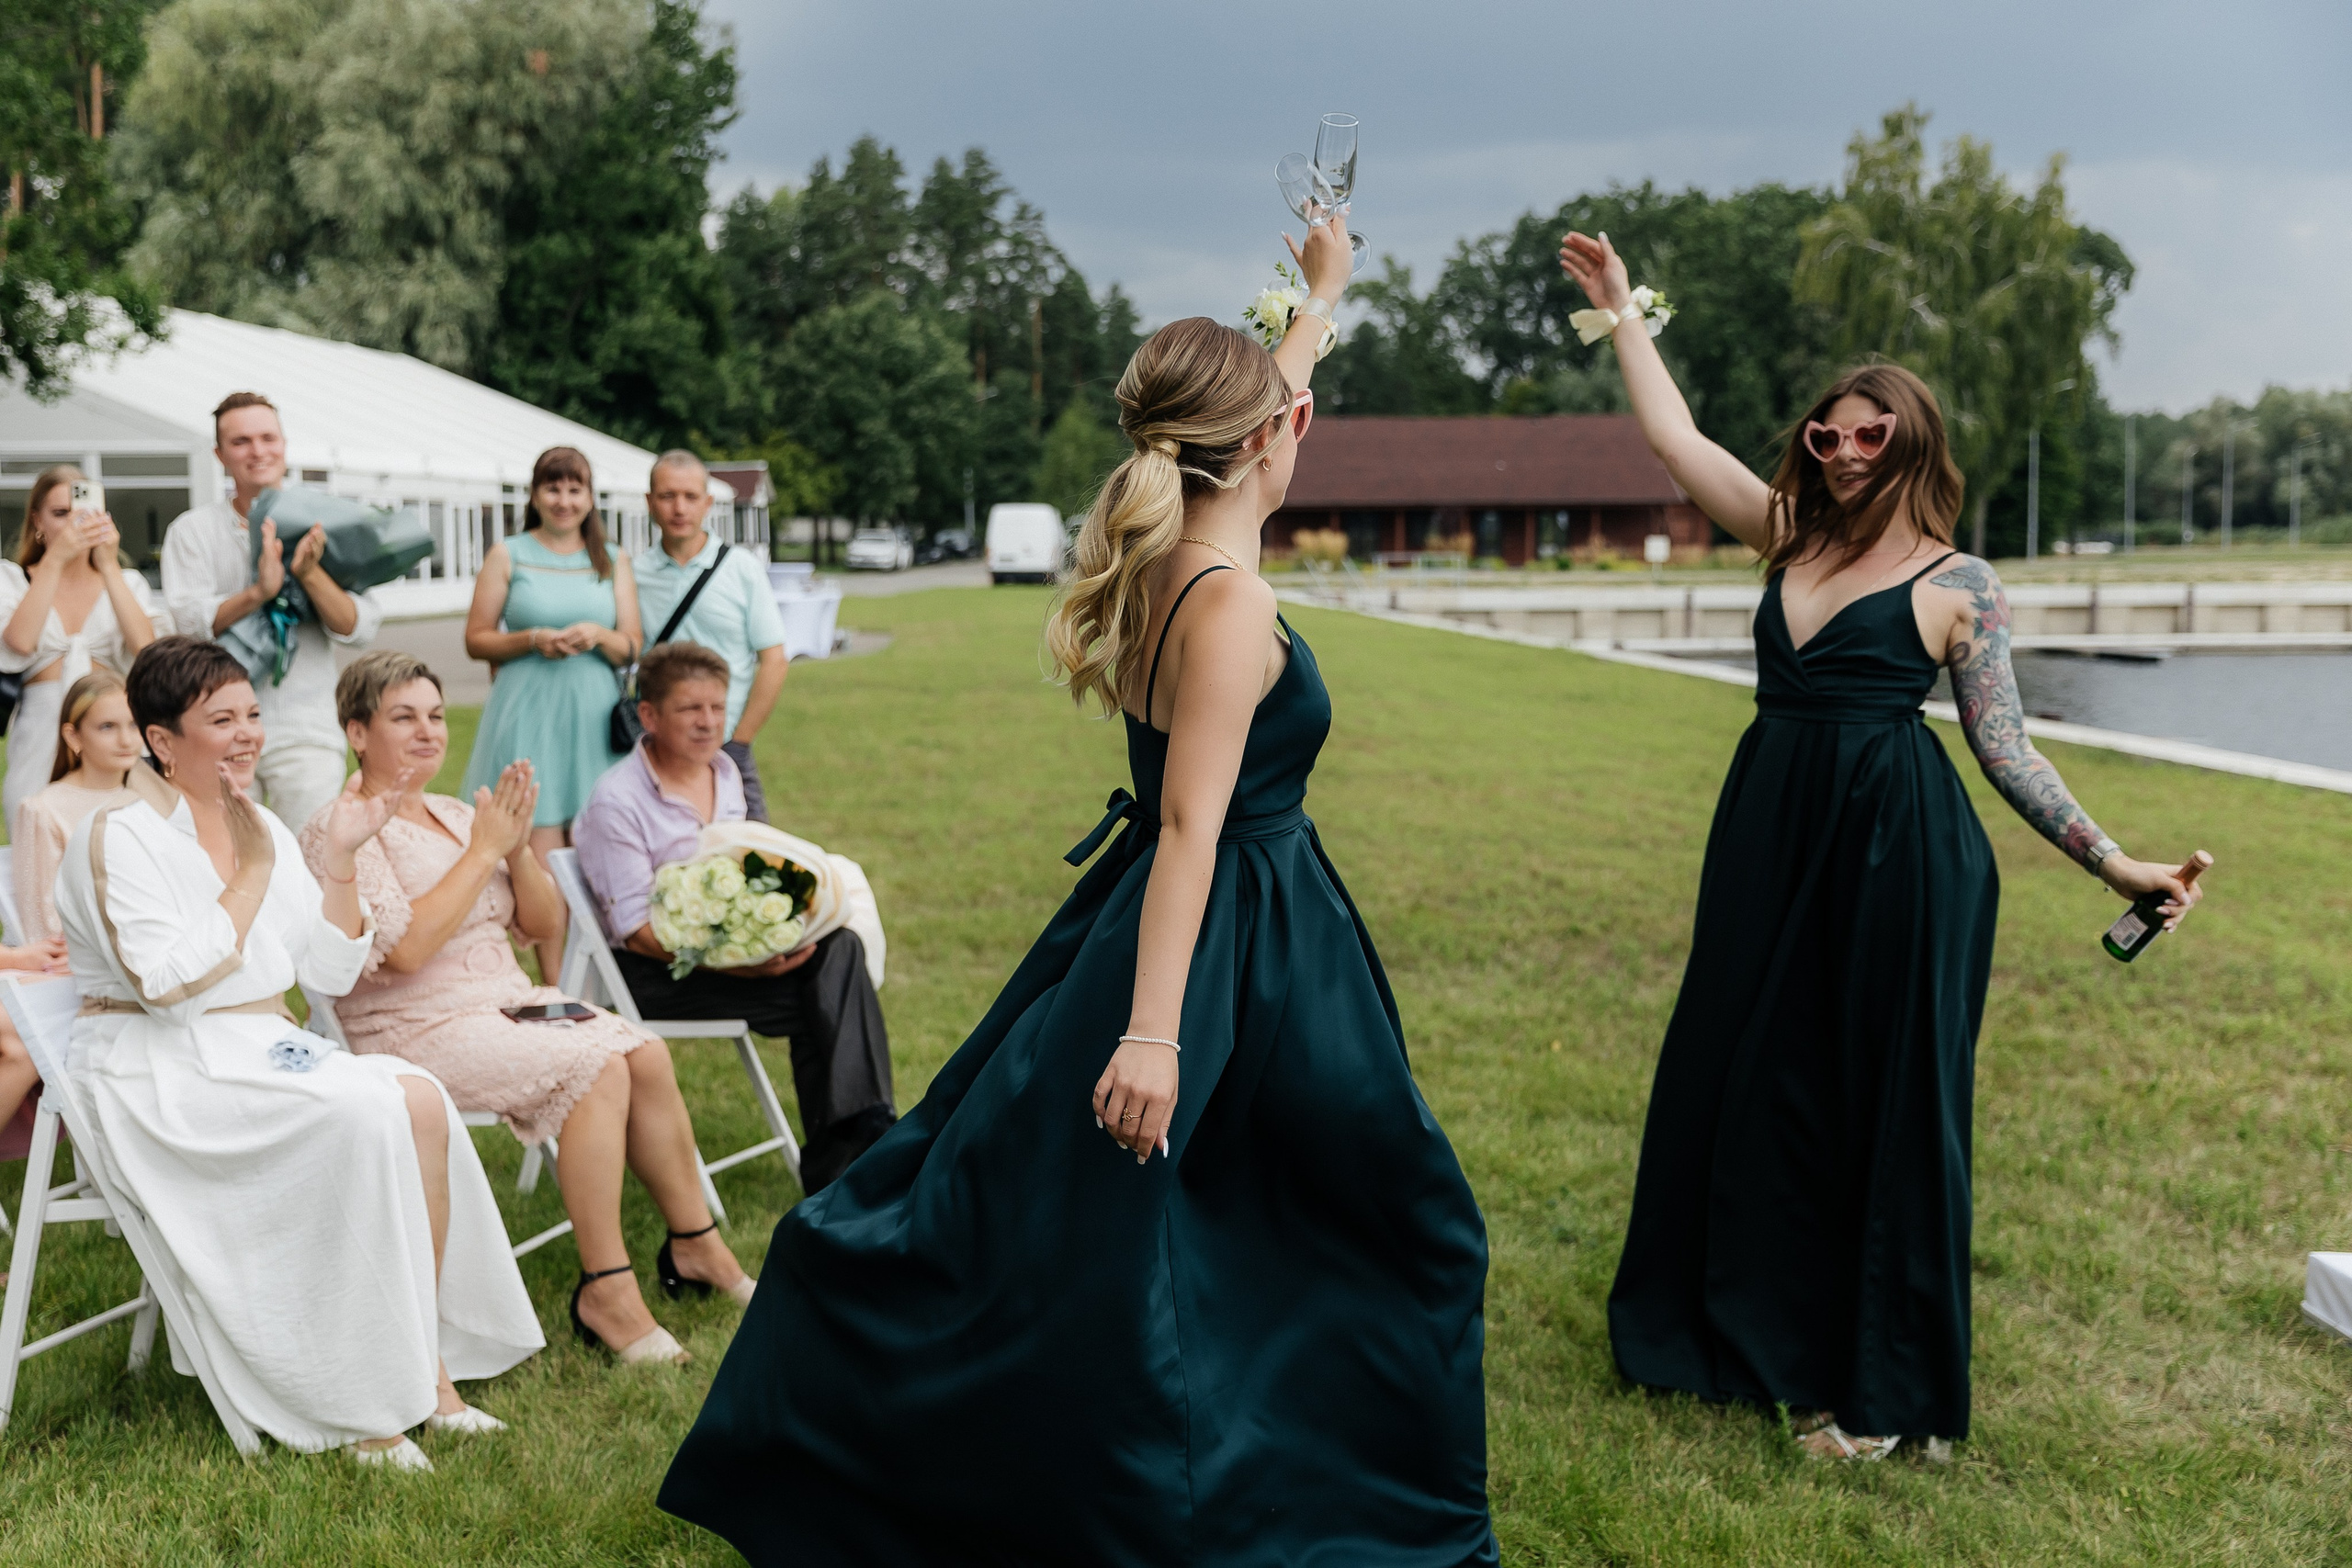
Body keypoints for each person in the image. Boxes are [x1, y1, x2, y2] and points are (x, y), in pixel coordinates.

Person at [661, 220, 1499, 1565]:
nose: (1303, 421)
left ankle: (1259, 1470)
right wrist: (1156, 1036)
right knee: (1397, 1227)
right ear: (1273, 441)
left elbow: (1267, 392)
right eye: (1294, 412)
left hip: (1224, 921)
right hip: (1229, 939)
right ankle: (1269, 1504)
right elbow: (1185, 830)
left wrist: (1321, 296)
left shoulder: (1169, 555)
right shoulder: (1224, 600)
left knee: (1260, 1228)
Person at [1557, 231, 2212, 1461]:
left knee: (1883, 1105)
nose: (1847, 450)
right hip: (1768, 837)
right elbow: (1675, 440)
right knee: (1739, 1072)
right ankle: (1740, 1333)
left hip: (1899, 856)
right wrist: (1621, 311)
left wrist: (2116, 860)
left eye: (1873, 434)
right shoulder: (1784, 533)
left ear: (1912, 445)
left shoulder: (1964, 583)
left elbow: (2008, 748)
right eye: (1828, 433)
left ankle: (1882, 1398)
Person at [56, 636, 542, 1469]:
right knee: (357, 1111)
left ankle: (425, 1373)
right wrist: (247, 872)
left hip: (259, 1042)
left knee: (417, 1097)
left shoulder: (265, 821)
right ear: (162, 740)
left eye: (253, 714)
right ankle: (362, 1408)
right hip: (159, 1065)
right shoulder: (116, 838)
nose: (248, 734)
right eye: (222, 720)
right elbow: (164, 983)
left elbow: (325, 968)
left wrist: (343, 857)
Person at [302, 650, 753, 1367]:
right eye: (403, 717)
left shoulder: (456, 813)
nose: (428, 731)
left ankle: (697, 1244)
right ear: (357, 732)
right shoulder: (344, 826)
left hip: (508, 1001)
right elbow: (410, 948)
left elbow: (542, 926)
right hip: (413, 1026)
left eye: (437, 715)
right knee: (599, 1064)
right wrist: (485, 852)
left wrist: (514, 854)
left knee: (645, 1051)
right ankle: (607, 1290)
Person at [572, 641, 895, 1195]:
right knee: (830, 999)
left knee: (839, 948)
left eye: (718, 708)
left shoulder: (724, 770)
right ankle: (859, 1154)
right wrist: (744, 969)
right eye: (690, 709)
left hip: (730, 959)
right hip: (659, 975)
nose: (709, 723)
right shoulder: (617, 801)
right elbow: (639, 934)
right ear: (647, 716)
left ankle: (850, 1155)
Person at [162, 391, 384, 835]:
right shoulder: (192, 530)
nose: (258, 451)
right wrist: (260, 592)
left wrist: (309, 573)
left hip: (306, 726)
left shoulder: (329, 523)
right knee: (222, 857)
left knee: (309, 858)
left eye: (268, 437)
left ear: (284, 443)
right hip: (215, 728)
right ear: (220, 454)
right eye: (241, 441)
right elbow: (187, 622)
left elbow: (359, 627)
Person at [461, 446, 642, 976]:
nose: (564, 501)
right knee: (537, 845)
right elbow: (476, 640)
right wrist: (531, 639)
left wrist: (601, 635)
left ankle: (607, 973)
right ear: (535, 495)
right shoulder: (508, 554)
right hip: (529, 710)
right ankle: (556, 981)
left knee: (599, 837)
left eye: (575, 489)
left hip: (593, 714)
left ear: (590, 497)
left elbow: (634, 645)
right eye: (553, 489)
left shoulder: (613, 559)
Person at [0, 465, 160, 827]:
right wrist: (56, 559)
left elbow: (146, 650)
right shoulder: (12, 579)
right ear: (37, 520)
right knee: (38, 831)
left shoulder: (126, 582)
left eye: (84, 512)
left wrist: (108, 565)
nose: (75, 523)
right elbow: (20, 642)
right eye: (61, 514)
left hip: (111, 727)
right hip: (41, 729)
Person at [634, 451, 786, 822]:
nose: (679, 508)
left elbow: (774, 660)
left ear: (708, 503)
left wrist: (739, 738)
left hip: (726, 744)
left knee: (752, 861)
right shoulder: (634, 574)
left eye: (690, 497)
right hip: (659, 748)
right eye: (668, 496)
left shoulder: (742, 569)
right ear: (650, 502)